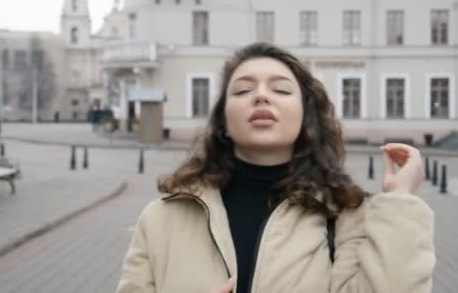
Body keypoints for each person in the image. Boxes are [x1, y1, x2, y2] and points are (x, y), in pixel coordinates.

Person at [115, 43, 435, 293]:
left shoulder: (347, 216)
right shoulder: (162, 219)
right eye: (242, 90)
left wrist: (400, 200)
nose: (262, 96)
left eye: (281, 89)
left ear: (306, 117)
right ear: (224, 120)